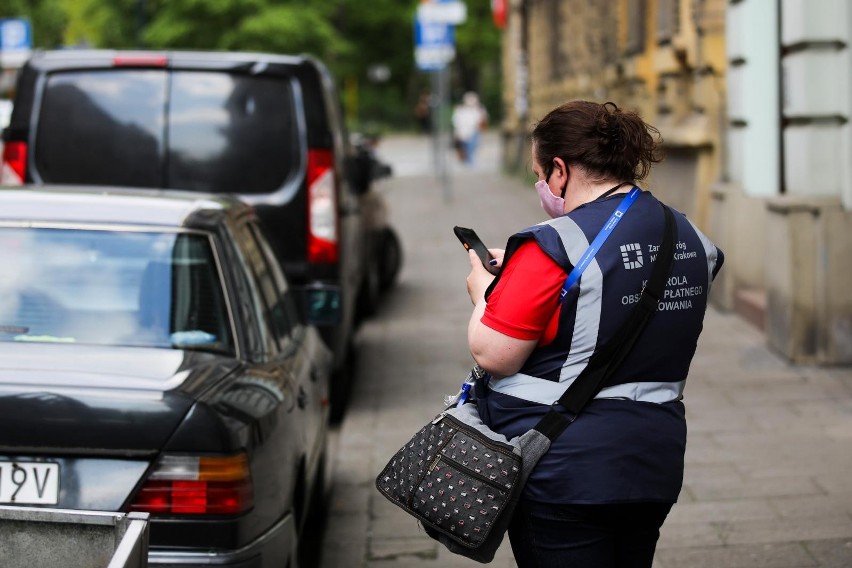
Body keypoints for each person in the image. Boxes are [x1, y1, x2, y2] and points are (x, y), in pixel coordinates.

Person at [463, 100, 724, 567]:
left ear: (560, 169)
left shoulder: (554, 241)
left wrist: (485, 291)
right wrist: (526, 273)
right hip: (653, 463)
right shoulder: (688, 235)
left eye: (541, 174)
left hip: (563, 471)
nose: (542, 185)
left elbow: (494, 353)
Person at [451, 91, 488, 164]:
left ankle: (471, 161)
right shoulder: (461, 110)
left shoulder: (479, 110)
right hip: (463, 132)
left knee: (471, 147)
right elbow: (456, 122)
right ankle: (469, 161)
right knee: (465, 148)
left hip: (474, 132)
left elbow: (483, 121)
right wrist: (458, 132)